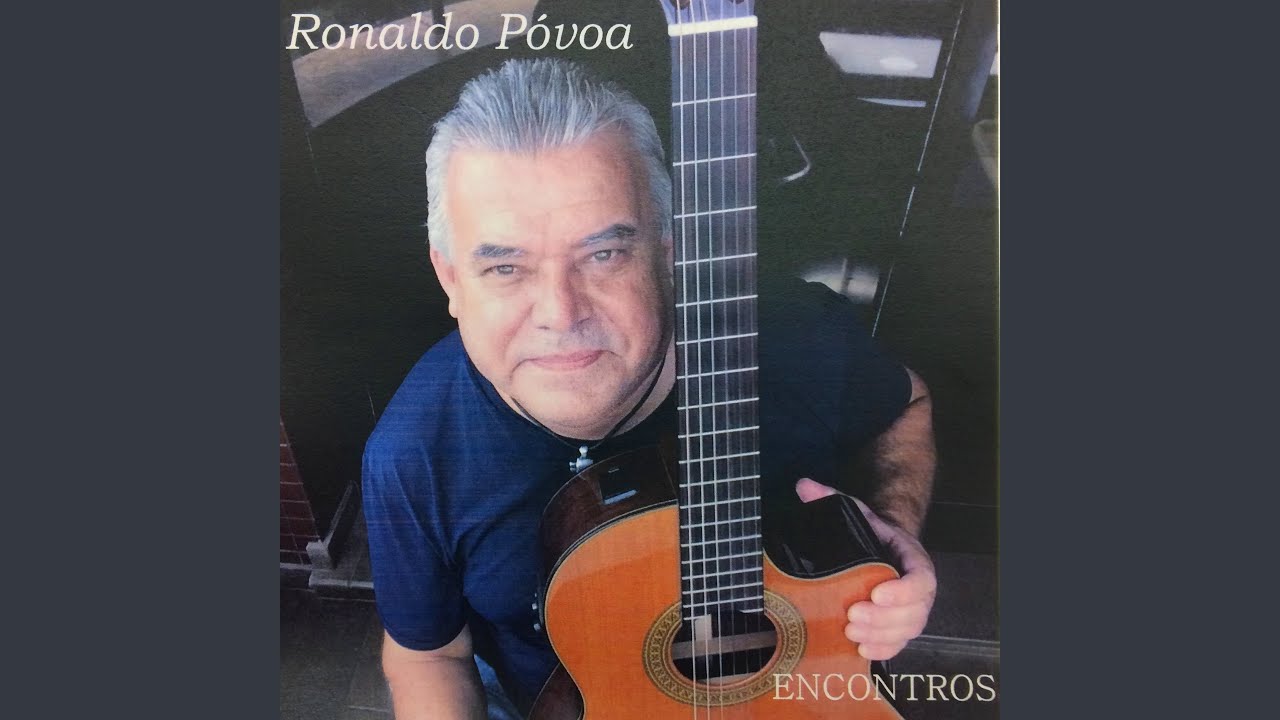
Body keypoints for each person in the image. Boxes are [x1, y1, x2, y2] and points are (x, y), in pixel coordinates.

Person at [362, 58, 937, 720]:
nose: (560, 313)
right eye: (506, 267)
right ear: (450, 279)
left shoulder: (797, 335)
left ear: (666, 253)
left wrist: (888, 537)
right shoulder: (413, 451)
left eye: (603, 254)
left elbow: (906, 406)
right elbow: (428, 655)